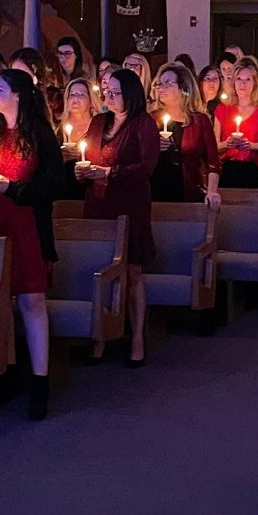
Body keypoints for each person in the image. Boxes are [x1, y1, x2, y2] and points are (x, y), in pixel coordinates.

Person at [0, 69, 63, 420]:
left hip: (27, 225)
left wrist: (16, 190)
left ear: (18, 95)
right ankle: (3, 374)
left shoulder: (39, 134)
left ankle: (40, 382)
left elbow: (54, 184)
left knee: (31, 300)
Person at [77, 69, 161, 366]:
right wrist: (83, 171)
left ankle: (137, 337)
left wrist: (109, 172)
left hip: (130, 204)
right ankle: (100, 337)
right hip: (99, 203)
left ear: (131, 95)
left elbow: (146, 167)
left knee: (133, 272)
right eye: (107, 91)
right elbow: (87, 154)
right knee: (101, 270)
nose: (109, 96)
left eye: (116, 92)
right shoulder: (100, 121)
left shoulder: (143, 124)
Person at [150, 62, 221, 204]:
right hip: (156, 188)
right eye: (159, 84)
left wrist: (212, 191)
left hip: (188, 188)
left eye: (168, 83)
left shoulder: (200, 121)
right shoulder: (151, 119)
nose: (161, 88)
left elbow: (212, 161)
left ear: (183, 88)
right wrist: (153, 147)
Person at [214, 59, 258, 188]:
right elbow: (214, 146)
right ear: (233, 82)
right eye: (238, 79)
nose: (242, 84)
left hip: (255, 169)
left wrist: (253, 146)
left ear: (255, 83)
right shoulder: (222, 109)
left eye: (248, 79)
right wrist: (228, 144)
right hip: (228, 169)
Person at [57, 78, 102, 200]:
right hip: (64, 189)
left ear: (91, 100)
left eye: (81, 94)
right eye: (72, 95)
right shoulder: (58, 129)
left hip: (91, 189)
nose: (75, 99)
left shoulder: (99, 127)